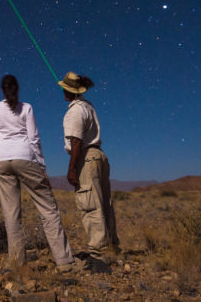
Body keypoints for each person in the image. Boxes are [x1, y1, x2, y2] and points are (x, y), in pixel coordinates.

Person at [0, 74, 76, 271]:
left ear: (2, 90)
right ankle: (64, 261)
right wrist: (42, 167)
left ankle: (18, 264)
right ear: (17, 89)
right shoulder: (26, 107)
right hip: (25, 157)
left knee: (11, 213)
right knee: (48, 208)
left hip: (2, 160)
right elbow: (33, 138)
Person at [59, 71, 119, 269]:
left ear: (68, 91)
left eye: (64, 88)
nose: (62, 91)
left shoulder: (75, 111)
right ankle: (111, 246)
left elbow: (76, 141)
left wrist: (72, 169)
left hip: (86, 157)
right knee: (103, 203)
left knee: (90, 204)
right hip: (99, 156)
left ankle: (99, 254)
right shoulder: (88, 106)